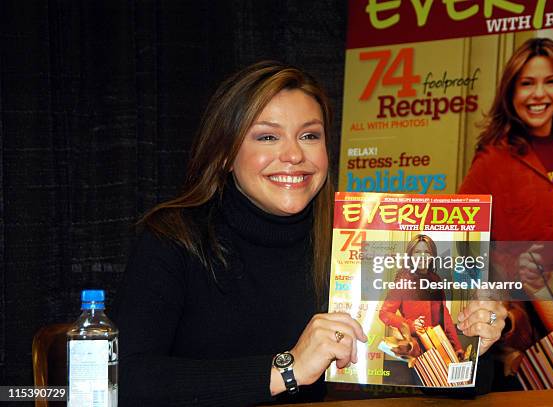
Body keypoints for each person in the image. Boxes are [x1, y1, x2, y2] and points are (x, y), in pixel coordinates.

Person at [113, 61, 507, 406]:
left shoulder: (350, 242)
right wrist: (288, 369)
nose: (294, 155)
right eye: (268, 136)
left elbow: (448, 387)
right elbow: (124, 381)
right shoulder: (172, 237)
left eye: (309, 135)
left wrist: (474, 349)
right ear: (224, 153)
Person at [458, 38, 553, 382]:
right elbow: (463, 243)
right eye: (527, 83)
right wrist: (513, 268)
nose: (539, 94)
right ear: (511, 92)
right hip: (531, 325)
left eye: (550, 81)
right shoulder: (492, 159)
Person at [379, 235, 464, 359]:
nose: (422, 257)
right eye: (417, 252)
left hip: (440, 345)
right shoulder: (404, 279)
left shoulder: (435, 279)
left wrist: (456, 346)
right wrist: (410, 325)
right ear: (410, 255)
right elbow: (384, 313)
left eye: (427, 252)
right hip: (417, 348)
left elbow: (444, 314)